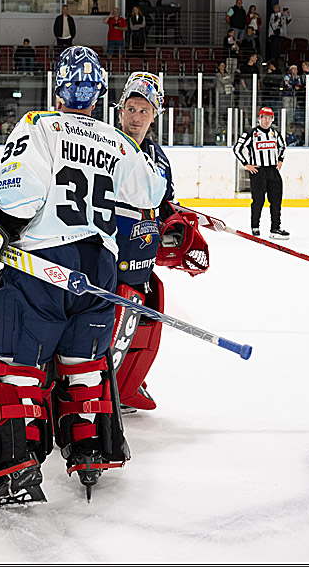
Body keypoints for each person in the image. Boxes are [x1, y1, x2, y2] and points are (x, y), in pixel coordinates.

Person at [0, 46, 166, 505]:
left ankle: (18, 459)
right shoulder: (118, 140)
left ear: (59, 86)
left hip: (42, 266)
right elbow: (151, 189)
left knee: (18, 365)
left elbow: (21, 196)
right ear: (100, 92)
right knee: (82, 365)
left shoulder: (40, 125)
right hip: (100, 269)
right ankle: (88, 449)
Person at [111, 72, 207, 412]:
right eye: (131, 109)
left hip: (140, 254)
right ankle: (103, 381)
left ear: (155, 116)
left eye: (144, 111)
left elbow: (165, 204)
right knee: (108, 318)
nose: (136, 117)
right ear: (120, 109)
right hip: (105, 252)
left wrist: (180, 224)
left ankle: (124, 378)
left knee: (141, 316)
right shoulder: (103, 144)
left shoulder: (159, 157)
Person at [234, 107, 288, 239]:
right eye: (264, 117)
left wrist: (280, 160)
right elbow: (237, 149)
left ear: (272, 120)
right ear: (259, 119)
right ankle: (255, 226)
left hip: (273, 171)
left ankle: (275, 228)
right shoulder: (251, 133)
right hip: (258, 171)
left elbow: (283, 146)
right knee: (258, 200)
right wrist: (246, 164)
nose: (266, 120)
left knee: (276, 200)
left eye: (269, 118)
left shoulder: (275, 134)